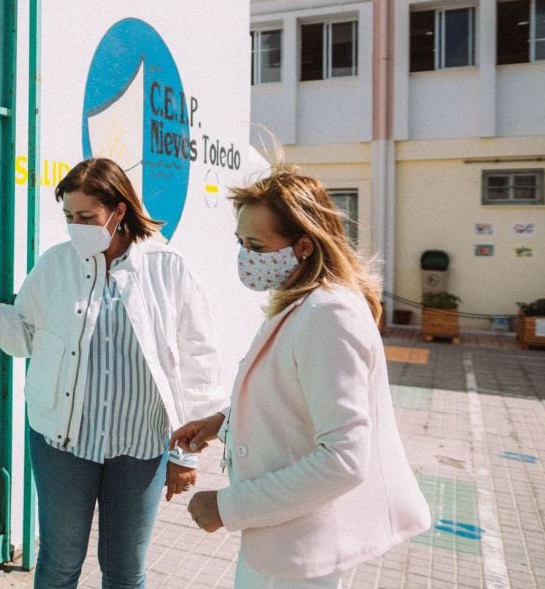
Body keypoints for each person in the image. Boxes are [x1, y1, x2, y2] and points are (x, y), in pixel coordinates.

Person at [0, 158, 223, 589]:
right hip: (63, 442)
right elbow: (24, 339)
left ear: (118, 212)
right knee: (60, 563)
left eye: (86, 217)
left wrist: (186, 452)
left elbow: (199, 360)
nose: (75, 226)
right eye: (69, 217)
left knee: (125, 569)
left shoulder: (167, 268)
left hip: (139, 446)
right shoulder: (55, 265)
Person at [170, 166, 431, 588]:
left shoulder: (329, 315)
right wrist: (224, 422)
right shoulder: (306, 304)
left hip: (305, 552)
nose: (245, 257)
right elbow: (296, 398)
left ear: (304, 245)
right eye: (241, 243)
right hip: (283, 542)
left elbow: (344, 459)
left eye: (256, 245)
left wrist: (227, 506)